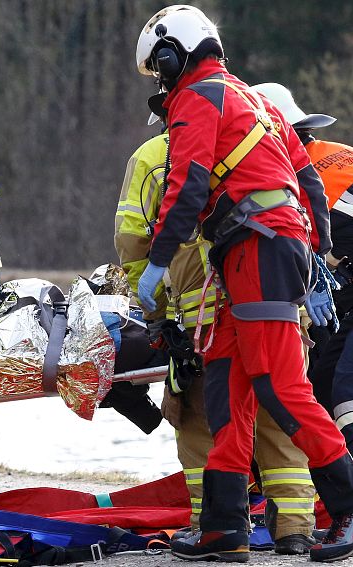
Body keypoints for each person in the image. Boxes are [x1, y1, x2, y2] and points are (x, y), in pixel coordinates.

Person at [135, 5, 353, 562]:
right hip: (253, 252)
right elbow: (308, 179)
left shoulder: (197, 98)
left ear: (171, 54)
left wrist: (158, 260)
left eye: (158, 69)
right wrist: (314, 248)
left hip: (255, 249)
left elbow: (188, 184)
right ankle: (224, 527)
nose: (160, 83)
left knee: (279, 384)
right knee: (229, 384)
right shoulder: (255, 100)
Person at [115, 95, 316, 554]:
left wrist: (158, 317)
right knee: (280, 414)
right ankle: (295, 529)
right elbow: (299, 219)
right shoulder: (263, 143)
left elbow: (132, 244)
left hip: (202, 321)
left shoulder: (152, 157)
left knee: (202, 422)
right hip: (276, 305)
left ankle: (217, 527)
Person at [254, 82, 353, 484]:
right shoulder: (340, 154)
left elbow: (293, 243)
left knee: (352, 385)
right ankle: (335, 487)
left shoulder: (296, 177)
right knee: (323, 379)